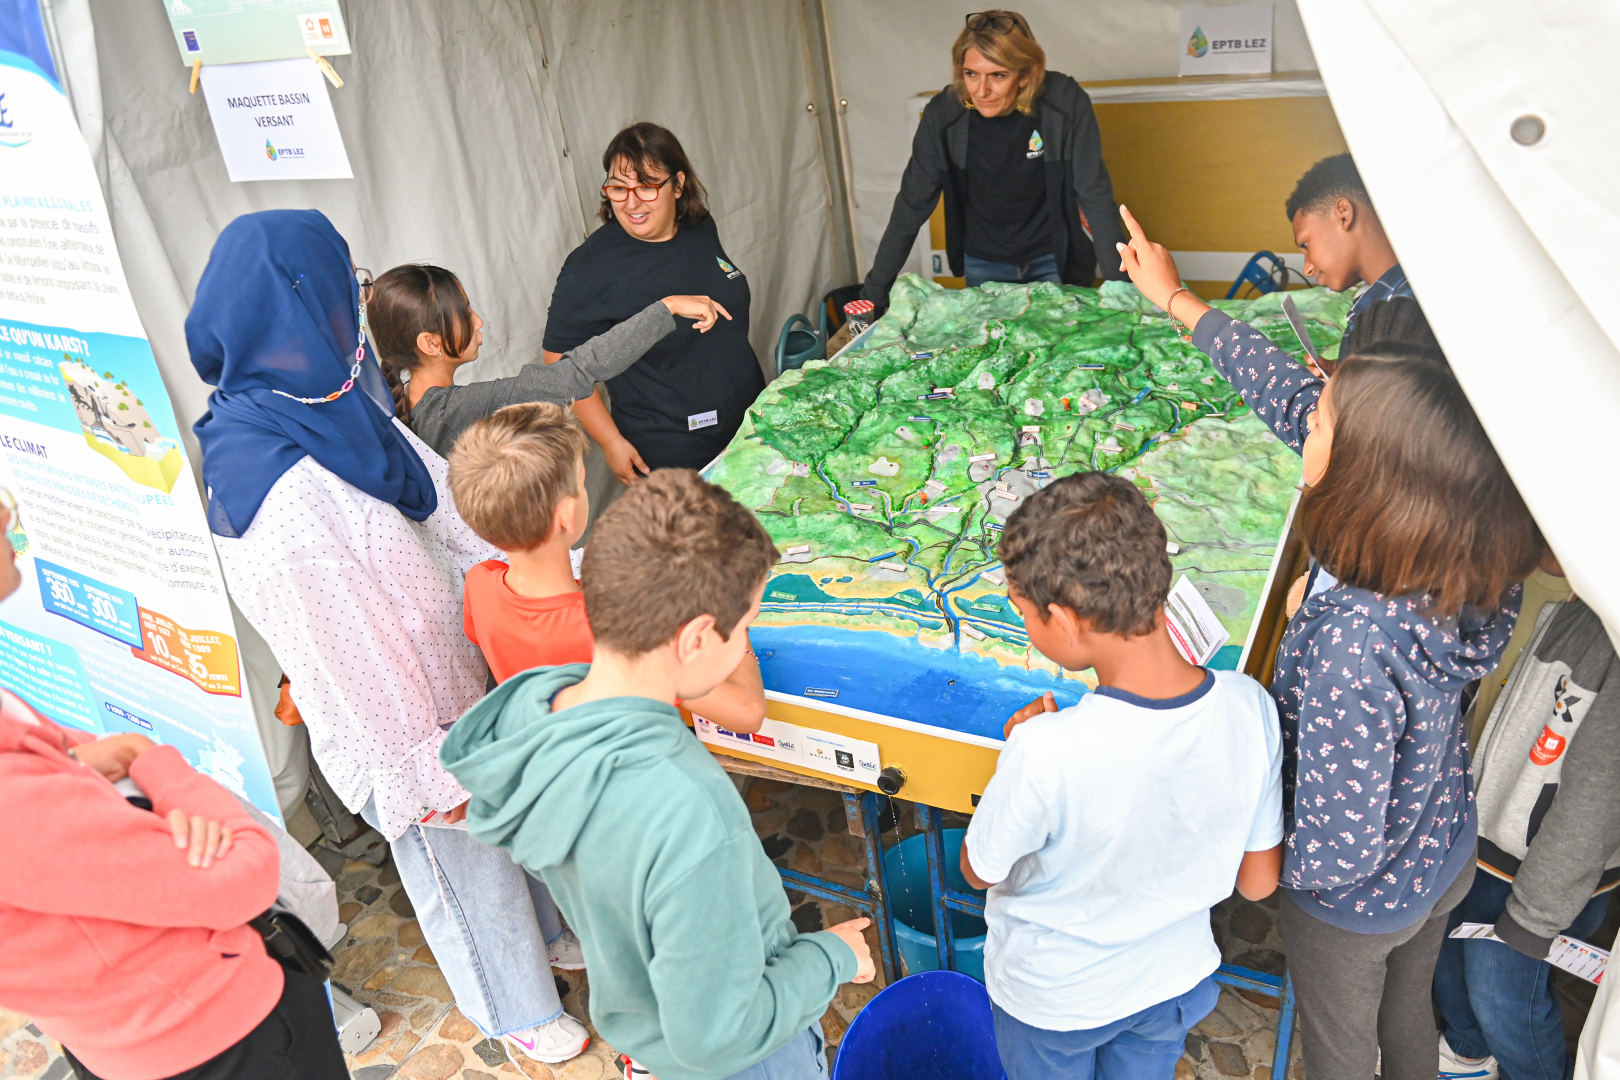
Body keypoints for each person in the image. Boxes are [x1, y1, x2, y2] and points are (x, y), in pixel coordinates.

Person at [1118, 217, 1545, 1080]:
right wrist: (1177, 302)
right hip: (1439, 853)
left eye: (1321, 420)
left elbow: (1340, 849)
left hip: (1357, 907)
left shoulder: (1355, 637)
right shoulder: (1457, 550)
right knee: (1406, 1020)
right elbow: (1292, 395)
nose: (1301, 424)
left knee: (1346, 1051)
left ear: (1367, 472)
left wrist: (1250, 852)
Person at [189, 209, 589, 1065]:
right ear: (298, 304)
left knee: (514, 820)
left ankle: (550, 936)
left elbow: (443, 498)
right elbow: (340, 648)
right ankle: (512, 1008)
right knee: (464, 861)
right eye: (348, 285)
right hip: (399, 722)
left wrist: (543, 559)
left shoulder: (329, 398)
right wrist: (425, 762)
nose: (358, 302)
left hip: (455, 664)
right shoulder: (270, 481)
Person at [441, 470, 876, 1080]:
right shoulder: (689, 806)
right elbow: (720, 1035)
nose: (744, 638)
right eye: (744, 625)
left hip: (646, 1035)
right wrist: (830, 956)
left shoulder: (539, 718)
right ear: (698, 638)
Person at [0, 486, 345, 1080]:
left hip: (138, 1029)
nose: (8, 510)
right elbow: (244, 875)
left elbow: (67, 750)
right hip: (220, 1038)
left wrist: (117, 767)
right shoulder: (16, 805)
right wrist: (155, 764)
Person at [958, 472, 1283, 1080]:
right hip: (1170, 985)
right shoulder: (1250, 705)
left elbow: (979, 870)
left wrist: (1021, 751)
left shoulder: (1045, 751)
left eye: (1023, 613)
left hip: (1053, 1004)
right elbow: (1259, 882)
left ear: (1064, 619)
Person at [447, 401, 766, 731]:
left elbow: (545, 623)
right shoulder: (623, 633)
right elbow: (747, 711)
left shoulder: (480, 584)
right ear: (568, 514)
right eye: (583, 482)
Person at [1433, 583, 1620, 1080]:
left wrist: (1536, 915)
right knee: (1451, 957)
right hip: (1491, 833)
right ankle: (1467, 1053)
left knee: (1505, 999)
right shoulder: (1581, 603)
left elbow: (1598, 796)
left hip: (1541, 872)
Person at [543, 123, 764, 483]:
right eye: (618, 188)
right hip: (674, 453)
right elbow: (558, 364)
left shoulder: (698, 227)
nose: (631, 202)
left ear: (678, 185)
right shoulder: (591, 267)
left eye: (646, 187)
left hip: (750, 426)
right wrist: (611, 440)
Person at [860, 9, 1127, 303]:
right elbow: (911, 206)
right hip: (983, 263)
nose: (982, 90)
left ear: (1026, 74)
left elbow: (1095, 196)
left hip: (1056, 260)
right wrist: (874, 293)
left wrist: (1125, 290)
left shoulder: (1065, 102)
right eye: (971, 74)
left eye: (998, 75)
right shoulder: (943, 115)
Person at [367, 261, 732, 458]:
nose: (478, 320)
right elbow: (574, 373)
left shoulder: (405, 402)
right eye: (464, 313)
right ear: (430, 343)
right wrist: (667, 308)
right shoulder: (454, 409)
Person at [1285, 153, 1413, 339]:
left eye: (1305, 245)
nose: (1308, 269)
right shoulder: (1376, 303)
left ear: (1344, 214)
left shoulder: (1399, 315)